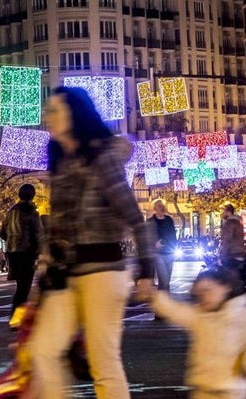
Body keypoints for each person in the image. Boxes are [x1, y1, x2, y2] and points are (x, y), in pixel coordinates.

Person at [27, 86, 156, 399]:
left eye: (54, 110)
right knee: (43, 350)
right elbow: (55, 230)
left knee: (103, 362)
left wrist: (146, 272)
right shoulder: (59, 162)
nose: (47, 117)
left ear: (74, 114)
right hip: (66, 275)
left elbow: (135, 218)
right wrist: (41, 279)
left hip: (104, 272)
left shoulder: (101, 159)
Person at [136, 267, 246, 399]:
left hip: (231, 390)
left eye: (208, 290)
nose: (205, 297)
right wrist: (152, 297)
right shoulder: (200, 315)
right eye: (200, 294)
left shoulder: (244, 316)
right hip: (203, 387)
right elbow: (175, 311)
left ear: (226, 287)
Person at [0, 182, 43, 322]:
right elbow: (38, 233)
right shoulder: (31, 211)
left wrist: (12, 240)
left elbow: (2, 233)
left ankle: (16, 318)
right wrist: (41, 250)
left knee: (21, 287)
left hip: (13, 253)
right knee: (24, 288)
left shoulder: (11, 211)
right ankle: (16, 318)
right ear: (32, 195)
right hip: (26, 252)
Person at [150, 198, 178, 296]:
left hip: (169, 253)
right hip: (158, 254)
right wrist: (154, 244)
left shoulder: (169, 220)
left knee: (166, 280)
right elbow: (147, 236)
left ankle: (163, 299)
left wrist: (174, 248)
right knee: (163, 278)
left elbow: (173, 235)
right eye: (159, 206)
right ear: (154, 208)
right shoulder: (151, 221)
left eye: (163, 206)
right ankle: (163, 300)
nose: (162, 208)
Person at [218, 204, 246, 275]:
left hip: (231, 254)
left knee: (227, 277)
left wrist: (221, 256)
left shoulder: (230, 223)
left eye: (224, 211)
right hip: (239, 253)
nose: (222, 213)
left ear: (228, 212)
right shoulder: (238, 223)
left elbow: (227, 240)